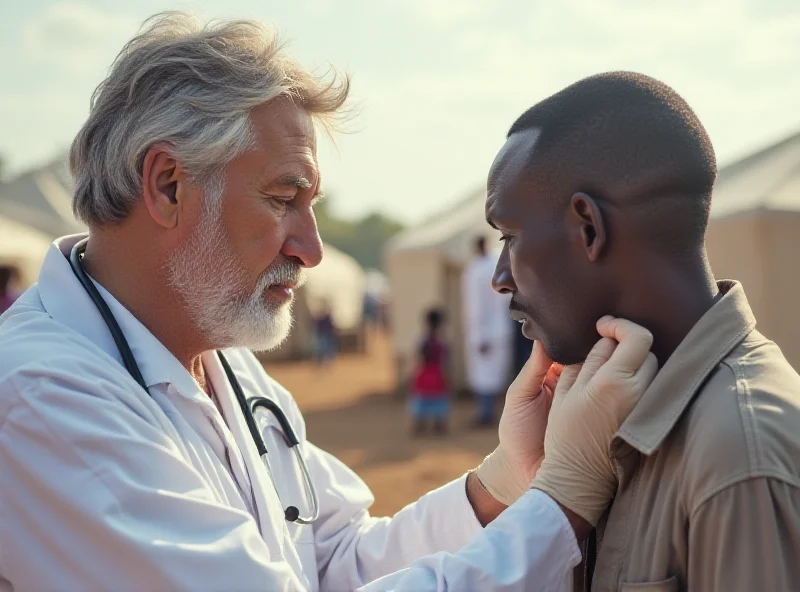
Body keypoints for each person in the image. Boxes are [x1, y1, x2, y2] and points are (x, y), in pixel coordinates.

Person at [0, 14, 658, 591]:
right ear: (169, 184)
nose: (312, 250)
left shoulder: (222, 361)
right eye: (284, 199)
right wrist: (561, 503)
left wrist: (504, 482)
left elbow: (334, 561)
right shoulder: (41, 400)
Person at [487, 71, 800, 591]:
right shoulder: (601, 416)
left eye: (510, 237)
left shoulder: (740, 457)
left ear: (588, 227)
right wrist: (522, 474)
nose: (500, 279)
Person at [461, 236, 513, 426]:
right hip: (501, 329)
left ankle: (486, 414)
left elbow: (475, 308)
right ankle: (489, 413)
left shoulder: (476, 270)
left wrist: (479, 335)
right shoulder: (497, 264)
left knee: (484, 375)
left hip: (484, 333)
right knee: (494, 374)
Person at [408, 308, 451, 435]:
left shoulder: (421, 340)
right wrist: (447, 377)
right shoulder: (442, 341)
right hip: (437, 373)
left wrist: (413, 375)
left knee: (421, 400)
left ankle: (420, 425)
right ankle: (439, 425)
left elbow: (417, 359)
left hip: (423, 373)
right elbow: (445, 362)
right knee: (439, 400)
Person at [312, 301, 336, 366]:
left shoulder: (326, 317)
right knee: (323, 349)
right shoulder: (322, 317)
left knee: (326, 349)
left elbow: (331, 326)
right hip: (323, 335)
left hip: (326, 335)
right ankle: (322, 362)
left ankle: (325, 362)